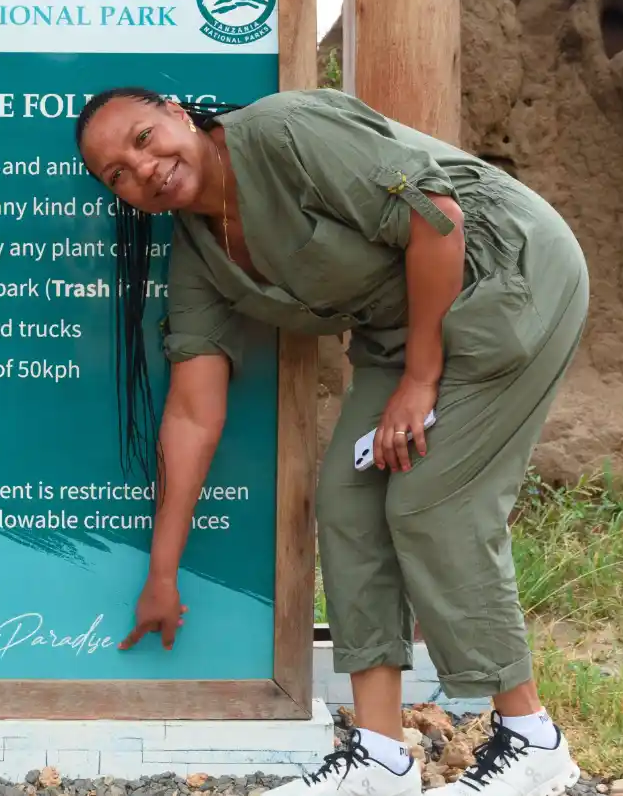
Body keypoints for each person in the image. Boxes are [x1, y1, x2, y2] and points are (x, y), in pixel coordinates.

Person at [74, 86, 589, 796]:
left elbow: (435, 218)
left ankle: (535, 743)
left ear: (175, 113)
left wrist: (420, 379)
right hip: (404, 333)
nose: (143, 168)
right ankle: (380, 756)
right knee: (347, 505)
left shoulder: (286, 132)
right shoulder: (200, 255)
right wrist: (162, 572)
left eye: (141, 138)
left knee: (431, 503)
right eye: (117, 175)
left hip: (504, 274)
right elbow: (194, 413)